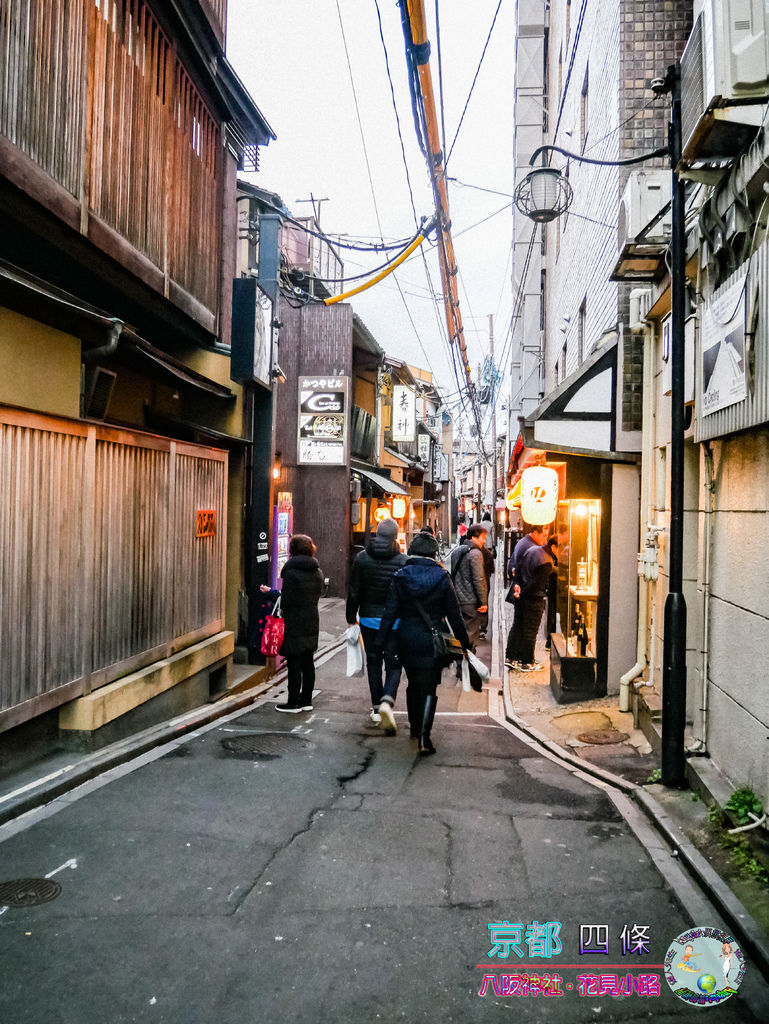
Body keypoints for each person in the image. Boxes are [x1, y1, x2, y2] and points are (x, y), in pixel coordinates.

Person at [379, 532, 470, 755]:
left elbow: (389, 612)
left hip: (406, 637)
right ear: (433, 553)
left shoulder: (400, 576)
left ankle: (414, 726)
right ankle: (424, 737)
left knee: (412, 682)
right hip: (434, 639)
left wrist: (381, 641)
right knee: (429, 687)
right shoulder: (442, 577)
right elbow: (454, 614)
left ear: (412, 551)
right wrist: (464, 643)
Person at [346, 518, 407, 732]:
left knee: (373, 662)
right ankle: (387, 702)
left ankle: (375, 708)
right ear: (395, 535)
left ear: (377, 533)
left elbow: (354, 591)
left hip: (369, 619)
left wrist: (350, 617)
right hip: (395, 622)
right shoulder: (402, 560)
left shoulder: (362, 558)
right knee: (394, 664)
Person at [262, 534, 324, 712]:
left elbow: (286, 601)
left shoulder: (291, 573)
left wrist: (271, 593)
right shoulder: (317, 571)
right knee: (308, 662)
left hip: (294, 621)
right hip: (312, 619)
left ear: (292, 550)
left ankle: (293, 702)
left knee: (294, 663)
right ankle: (306, 701)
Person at [505, 524, 552, 672]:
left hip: (520, 591)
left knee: (519, 625)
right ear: (536, 533)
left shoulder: (525, 544)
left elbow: (515, 569)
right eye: (543, 535)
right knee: (528, 629)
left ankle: (512, 657)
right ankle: (525, 660)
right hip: (526, 594)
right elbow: (519, 571)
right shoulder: (531, 548)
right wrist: (522, 590)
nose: (544, 540)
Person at [449, 523, 489, 683]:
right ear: (475, 536)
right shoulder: (475, 554)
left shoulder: (457, 551)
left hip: (456, 598)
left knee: (460, 633)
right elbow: (478, 579)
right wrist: (484, 601)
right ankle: (466, 668)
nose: (484, 542)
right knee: (471, 635)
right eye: (483, 538)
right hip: (471, 600)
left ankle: (461, 666)